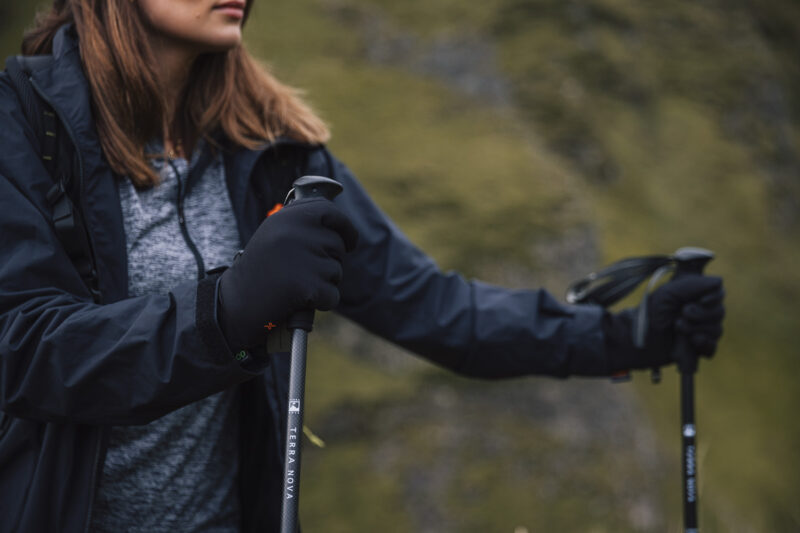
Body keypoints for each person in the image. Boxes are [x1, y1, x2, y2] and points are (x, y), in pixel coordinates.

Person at [0, 1, 725, 532]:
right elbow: (27, 347)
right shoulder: (23, 124)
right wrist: (227, 309)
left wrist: (625, 336)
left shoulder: (274, 152)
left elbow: (435, 307)